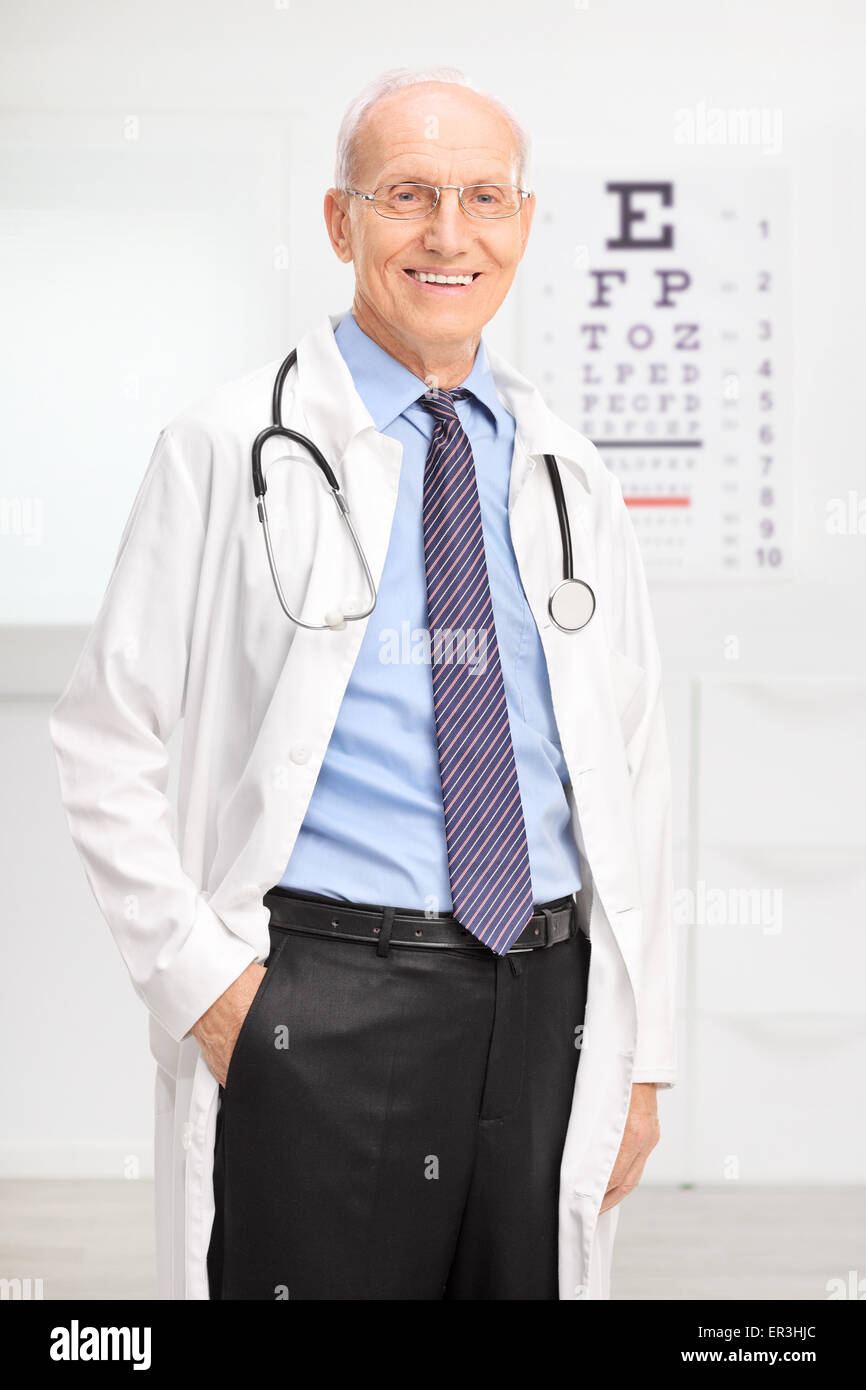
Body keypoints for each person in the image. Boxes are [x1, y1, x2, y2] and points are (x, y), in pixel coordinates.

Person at [49, 65, 676, 1301]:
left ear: (524, 224)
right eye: (406, 195)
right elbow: (102, 739)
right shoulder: (226, 447)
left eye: (482, 198)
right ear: (341, 222)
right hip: (323, 997)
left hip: (544, 998)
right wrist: (210, 990)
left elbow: (638, 775)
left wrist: (641, 1056)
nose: (449, 234)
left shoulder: (569, 475)